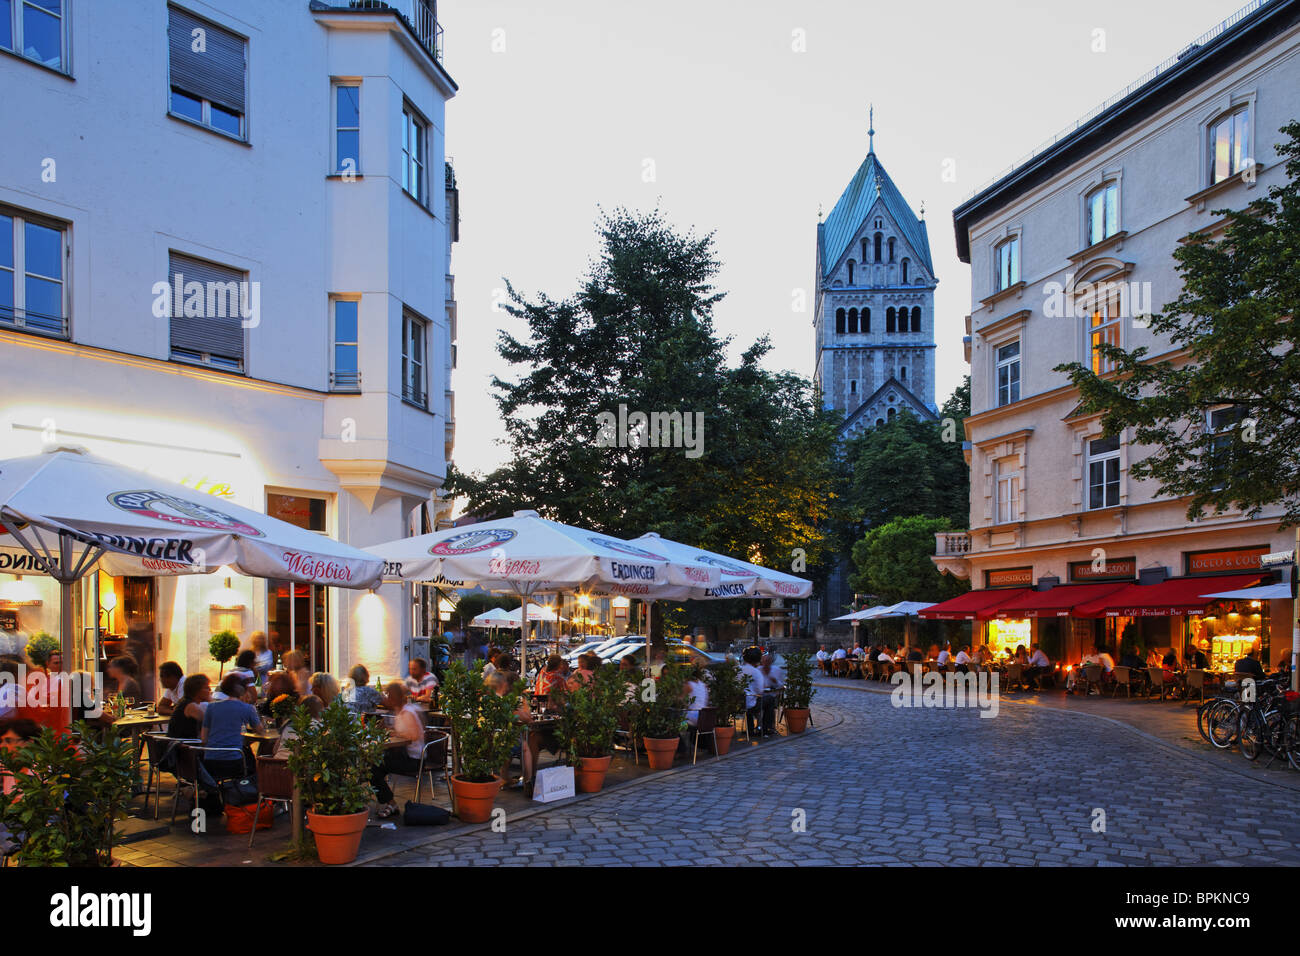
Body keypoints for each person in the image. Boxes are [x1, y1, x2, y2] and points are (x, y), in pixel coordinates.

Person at [370, 682, 427, 819]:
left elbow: (414, 735)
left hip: (414, 759)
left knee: (373, 768)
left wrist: (395, 735)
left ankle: (391, 803)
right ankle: (390, 802)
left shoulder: (407, 712)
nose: (385, 699)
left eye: (388, 696)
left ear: (394, 698)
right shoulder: (400, 711)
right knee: (373, 765)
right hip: (404, 756)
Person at [200, 674, 262, 780]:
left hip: (210, 760)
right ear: (242, 690)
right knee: (252, 762)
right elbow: (260, 730)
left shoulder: (211, 707)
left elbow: (204, 738)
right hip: (233, 759)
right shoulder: (247, 708)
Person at [167, 674, 210, 740]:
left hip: (183, 744)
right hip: (182, 747)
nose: (209, 689)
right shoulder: (191, 706)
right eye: (206, 687)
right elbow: (210, 721)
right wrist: (212, 701)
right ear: (197, 691)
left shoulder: (185, 702)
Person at [739, 647, 767, 740]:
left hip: (737, 703)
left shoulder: (738, 669)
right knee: (769, 699)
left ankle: (750, 728)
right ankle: (765, 728)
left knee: (750, 699)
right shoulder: (756, 672)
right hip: (750, 703)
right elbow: (760, 691)